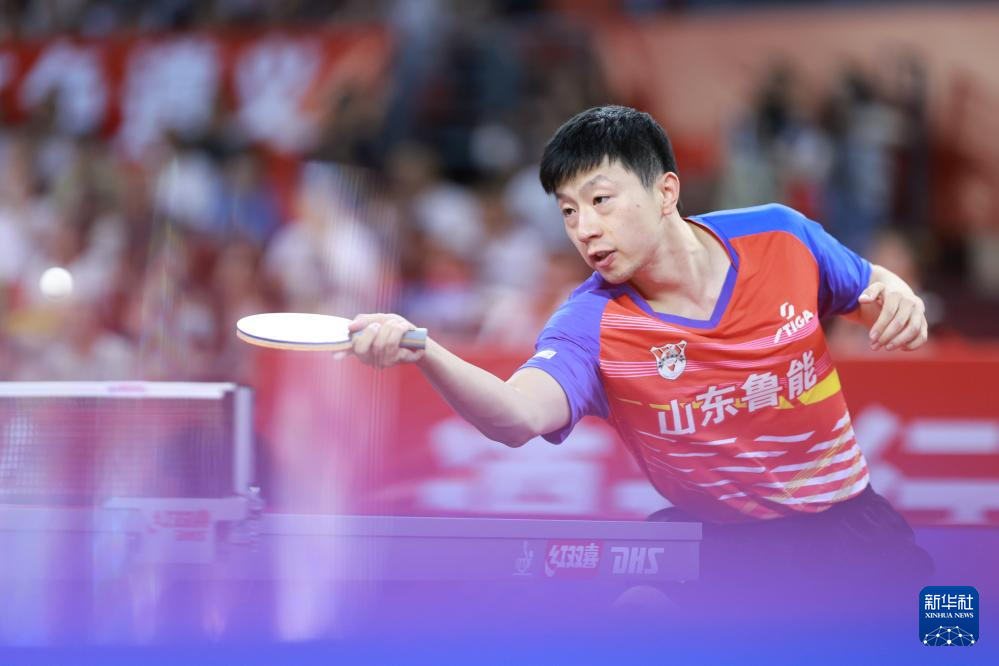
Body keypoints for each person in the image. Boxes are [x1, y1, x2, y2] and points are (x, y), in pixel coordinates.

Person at [348, 105, 931, 611]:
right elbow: (518, 416)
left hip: (852, 526)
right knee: (639, 612)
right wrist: (423, 349)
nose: (585, 228)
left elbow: (867, 287)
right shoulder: (590, 323)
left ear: (665, 192)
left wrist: (897, 295)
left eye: (601, 200)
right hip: (720, 551)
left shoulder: (781, 236)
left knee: (948, 634)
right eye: (568, 211)